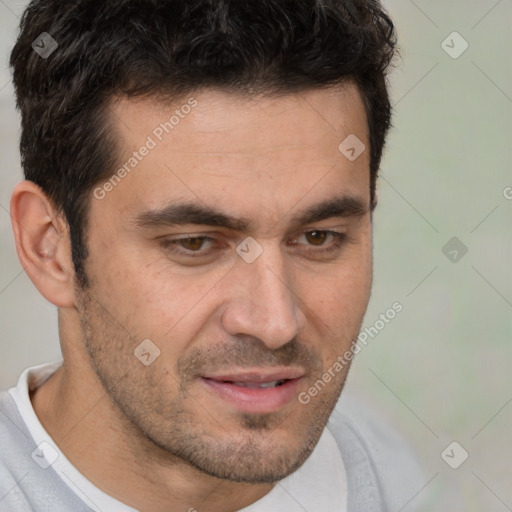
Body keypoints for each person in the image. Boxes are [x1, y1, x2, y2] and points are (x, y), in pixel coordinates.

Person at [0, 1, 425, 510]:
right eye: (196, 243)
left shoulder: (401, 473)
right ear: (50, 248)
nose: (275, 323)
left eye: (318, 237)